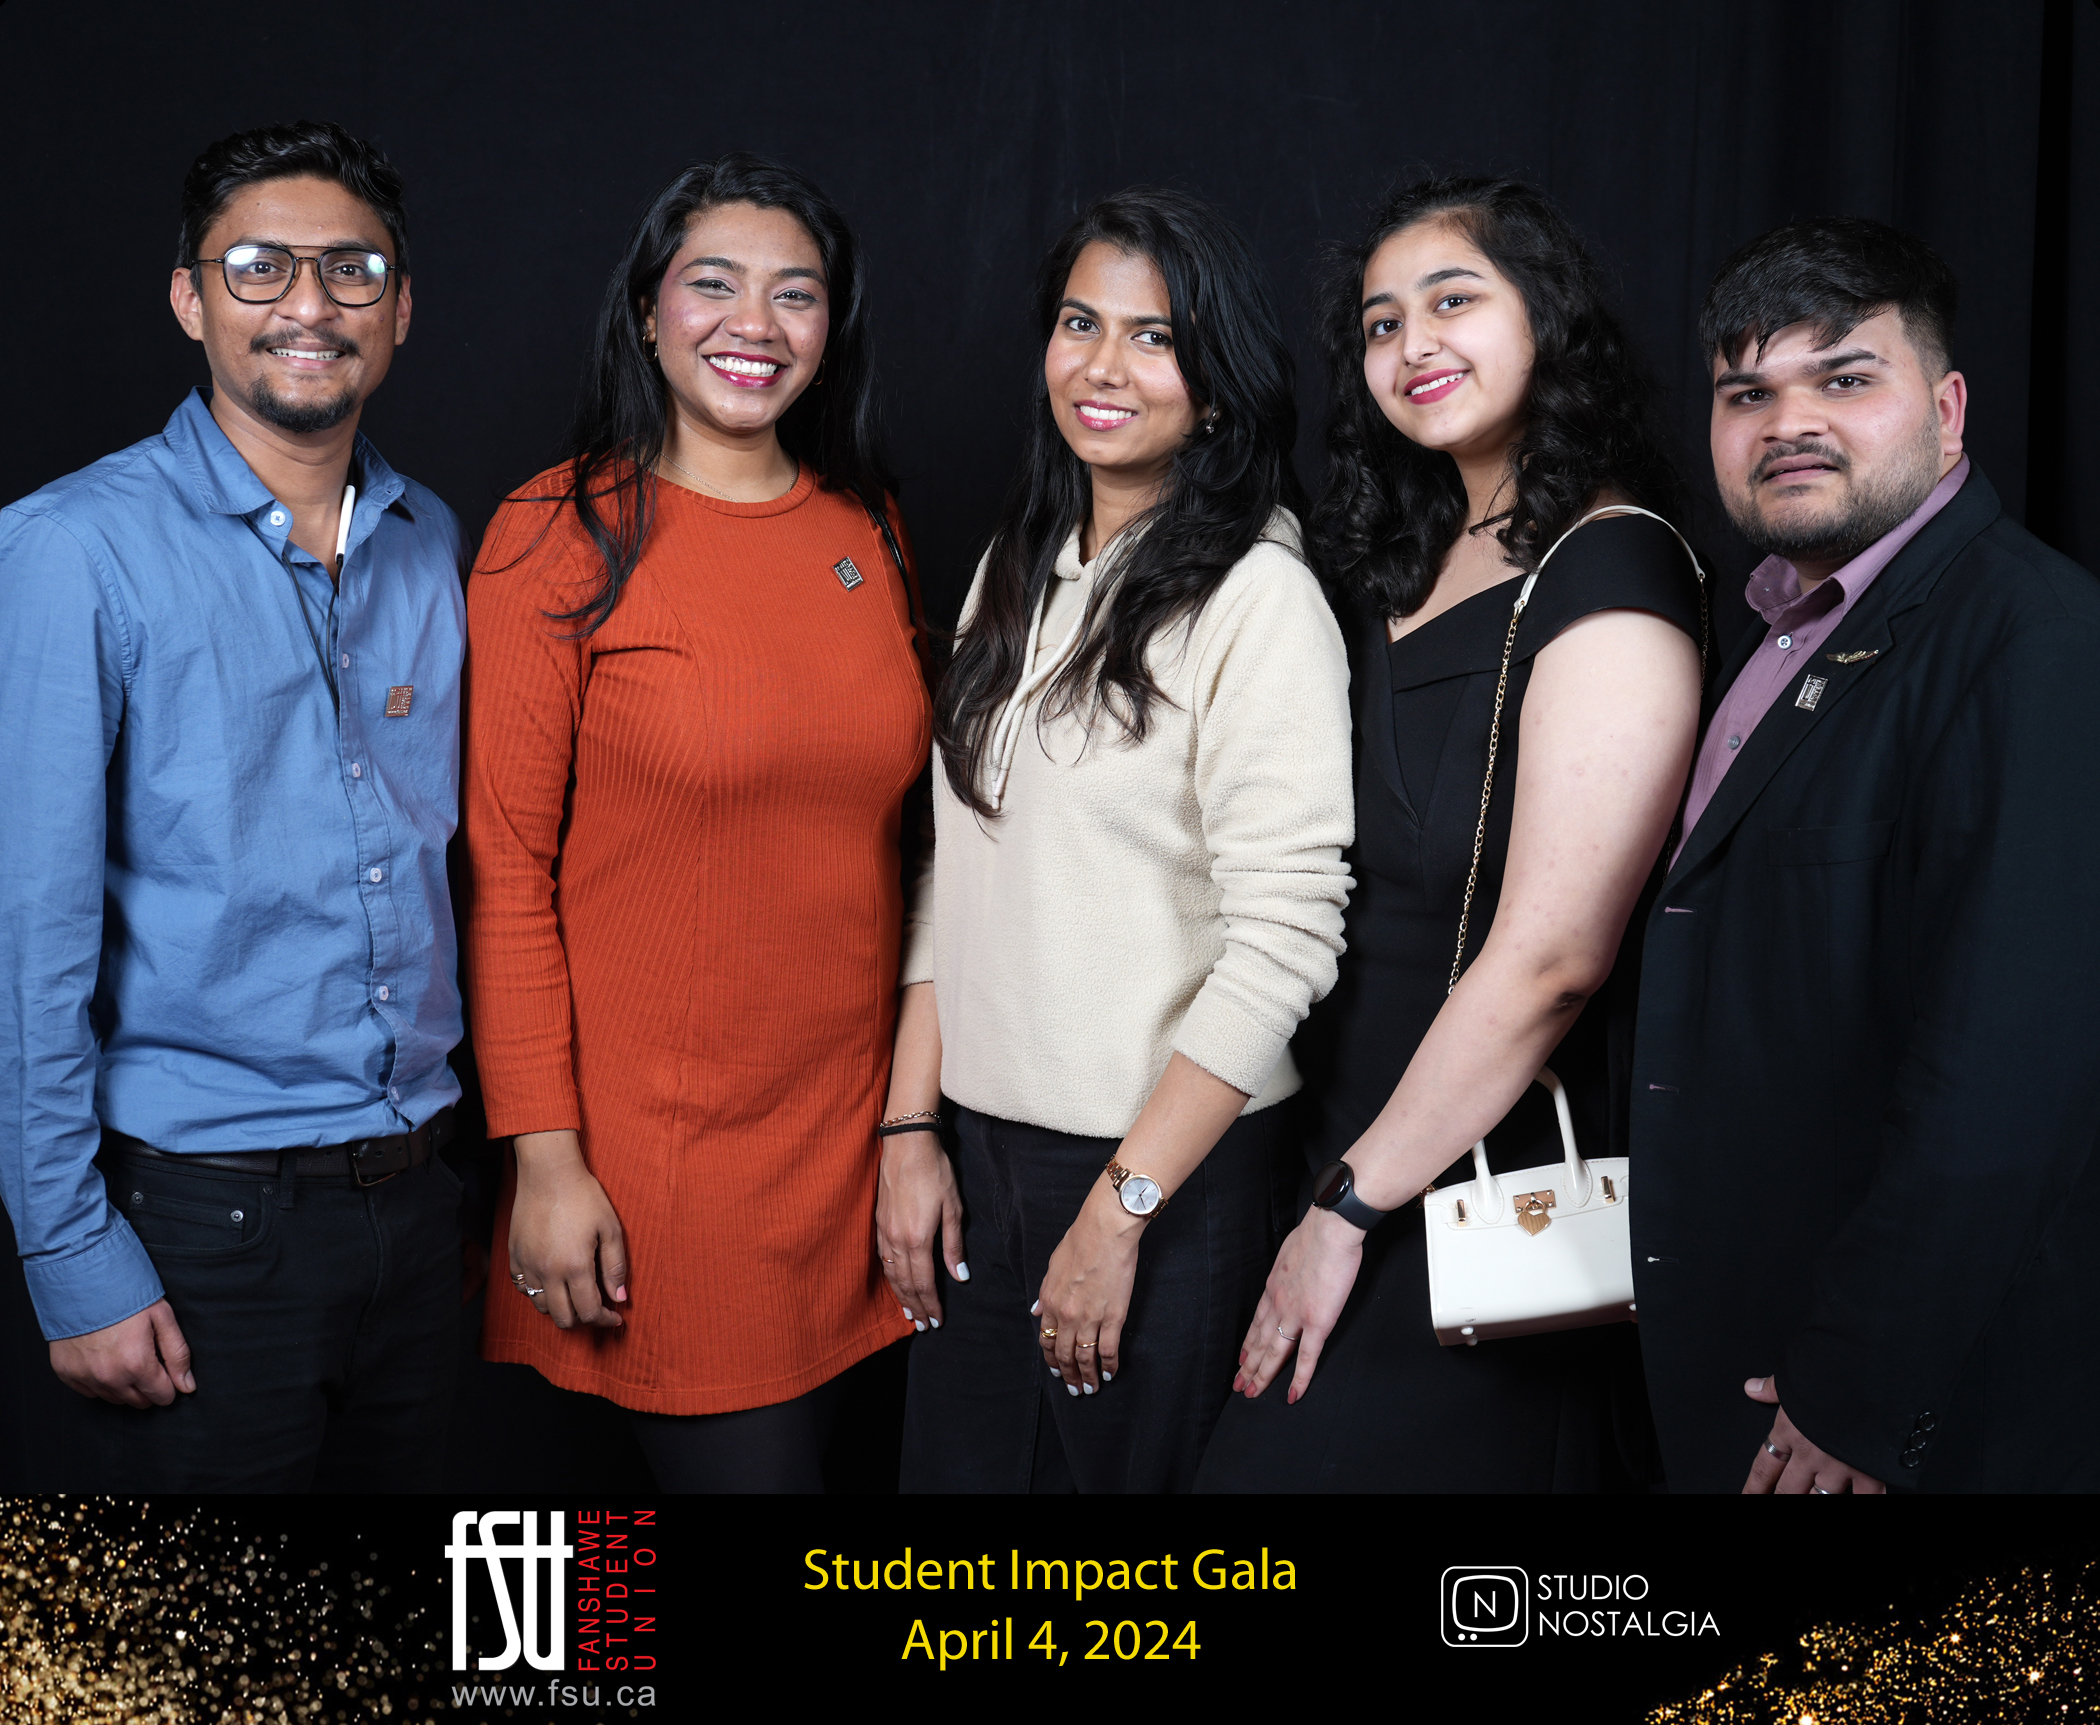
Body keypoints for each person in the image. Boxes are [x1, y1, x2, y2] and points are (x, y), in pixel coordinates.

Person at [1198, 176, 1705, 1493]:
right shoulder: (1398, 560)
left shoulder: (1613, 569)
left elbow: (1553, 959)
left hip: (1478, 1187)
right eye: (1382, 323)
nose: (1413, 343)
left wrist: (1349, 1209)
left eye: (1454, 300)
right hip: (1331, 1138)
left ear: (1548, 317)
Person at [0, 121, 467, 1490]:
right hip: (196, 1225)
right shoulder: (70, 548)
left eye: (352, 269)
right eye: (259, 268)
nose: (309, 304)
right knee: (194, 1627)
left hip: (418, 1204)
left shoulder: (432, 541)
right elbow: (27, 936)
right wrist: (67, 1249)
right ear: (189, 300)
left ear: (400, 308)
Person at [464, 153, 928, 1493]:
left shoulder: (869, 528)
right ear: (647, 311)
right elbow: (505, 871)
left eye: (797, 294)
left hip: (854, 1151)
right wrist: (544, 1161)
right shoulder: (556, 531)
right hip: (661, 1166)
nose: (754, 325)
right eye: (713, 284)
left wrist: (909, 1131)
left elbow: (910, 845)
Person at [883, 188, 1354, 1494]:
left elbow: (1288, 940)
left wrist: (1121, 1207)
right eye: (1081, 323)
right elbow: (955, 868)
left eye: (1155, 338)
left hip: (1163, 1176)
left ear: (1217, 384)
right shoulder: (1017, 566)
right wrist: (910, 1126)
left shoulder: (1259, 599)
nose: (1103, 365)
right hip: (981, 1158)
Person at [1629, 218, 2100, 1494]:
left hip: (1885, 1412)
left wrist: (1863, 1385)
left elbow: (2013, 1074)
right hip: (1743, 1344)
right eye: (1748, 393)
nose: (1790, 422)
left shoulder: (2039, 644)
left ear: (1948, 412)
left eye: (1844, 378)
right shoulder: (1775, 629)